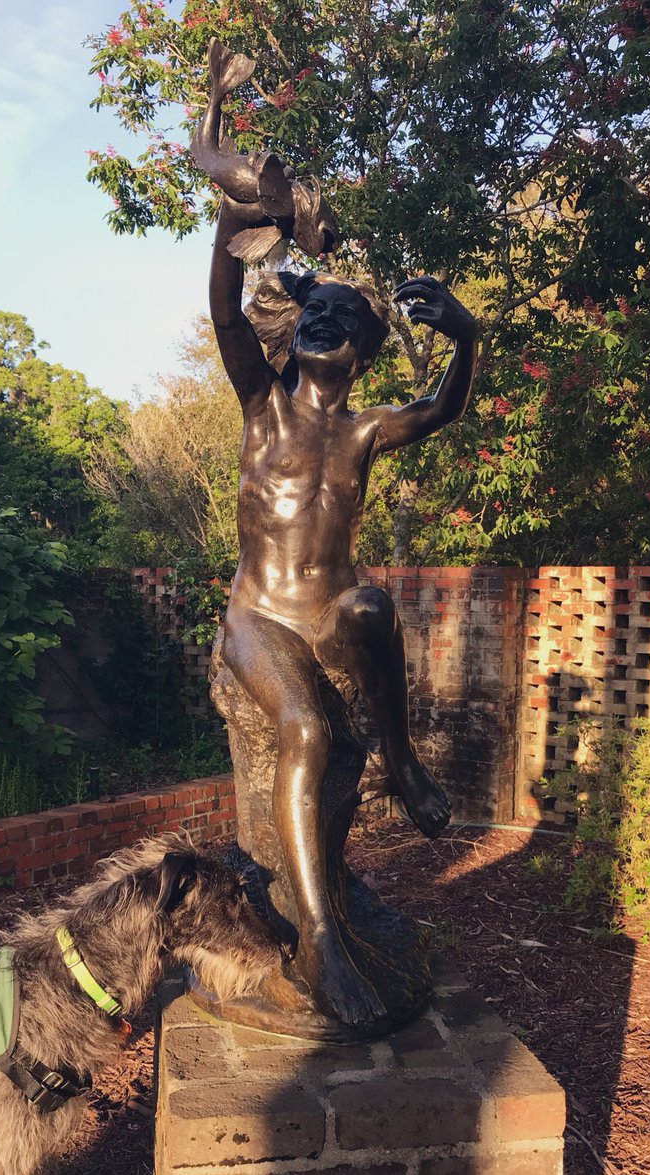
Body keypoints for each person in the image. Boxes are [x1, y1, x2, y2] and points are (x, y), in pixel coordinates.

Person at [210, 192, 478, 1026]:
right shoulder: (264, 404)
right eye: (313, 309)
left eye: (340, 317)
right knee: (307, 730)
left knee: (367, 607)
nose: (323, 320)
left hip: (325, 614)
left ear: (361, 350)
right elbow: (221, 311)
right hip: (258, 619)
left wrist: (467, 335)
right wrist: (230, 223)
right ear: (294, 331)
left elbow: (441, 408)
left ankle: (399, 763)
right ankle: (319, 939)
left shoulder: (363, 432)